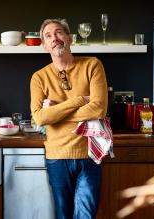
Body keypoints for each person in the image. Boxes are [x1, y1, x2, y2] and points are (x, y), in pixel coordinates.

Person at [30, 19, 108, 219]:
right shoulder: (39, 77)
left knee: (86, 215)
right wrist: (79, 101)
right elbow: (40, 117)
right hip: (57, 155)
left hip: (89, 153)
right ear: (44, 45)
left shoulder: (92, 65)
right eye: (48, 36)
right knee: (63, 215)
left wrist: (56, 112)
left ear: (69, 38)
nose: (54, 38)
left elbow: (98, 109)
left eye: (58, 33)